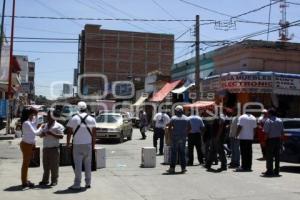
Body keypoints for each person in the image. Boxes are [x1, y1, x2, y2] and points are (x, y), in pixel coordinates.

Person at [66, 101, 96, 190]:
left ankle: (77, 184)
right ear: (86, 108)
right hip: (88, 145)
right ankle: (88, 183)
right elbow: (94, 134)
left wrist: (68, 144)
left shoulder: (73, 118)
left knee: (78, 165)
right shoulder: (91, 119)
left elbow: (69, 133)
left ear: (77, 109)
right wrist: (93, 146)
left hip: (77, 145)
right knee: (88, 165)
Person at [39, 109, 64, 186]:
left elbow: (61, 136)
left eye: (50, 115)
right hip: (46, 148)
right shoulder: (45, 125)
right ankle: (45, 180)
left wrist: (52, 133)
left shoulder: (58, 126)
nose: (48, 117)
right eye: (48, 115)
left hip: (54, 149)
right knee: (45, 166)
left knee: (54, 166)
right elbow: (40, 135)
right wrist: (42, 134)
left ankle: (54, 180)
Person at [20, 107, 44, 188]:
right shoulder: (26, 123)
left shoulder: (31, 122)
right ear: (28, 114)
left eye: (34, 115)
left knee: (26, 164)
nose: (33, 116)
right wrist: (41, 127)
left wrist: (37, 114)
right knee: (25, 164)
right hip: (26, 145)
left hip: (29, 144)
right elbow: (35, 132)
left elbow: (36, 123)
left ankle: (25, 180)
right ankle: (24, 182)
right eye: (32, 114)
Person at [167, 105, 190, 174]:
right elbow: (190, 128)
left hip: (175, 138)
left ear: (176, 111)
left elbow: (169, 127)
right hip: (183, 138)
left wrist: (170, 136)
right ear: (182, 111)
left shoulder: (173, 118)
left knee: (174, 153)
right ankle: (183, 168)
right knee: (182, 153)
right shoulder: (186, 118)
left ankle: (172, 168)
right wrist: (185, 133)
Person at [263, 108, 284, 177]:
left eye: (268, 113)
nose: (267, 114)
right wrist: (281, 141)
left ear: (270, 114)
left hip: (270, 140)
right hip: (278, 139)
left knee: (269, 156)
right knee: (277, 156)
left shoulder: (268, 121)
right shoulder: (280, 120)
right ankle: (277, 170)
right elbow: (282, 132)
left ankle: (270, 171)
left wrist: (264, 141)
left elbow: (266, 133)